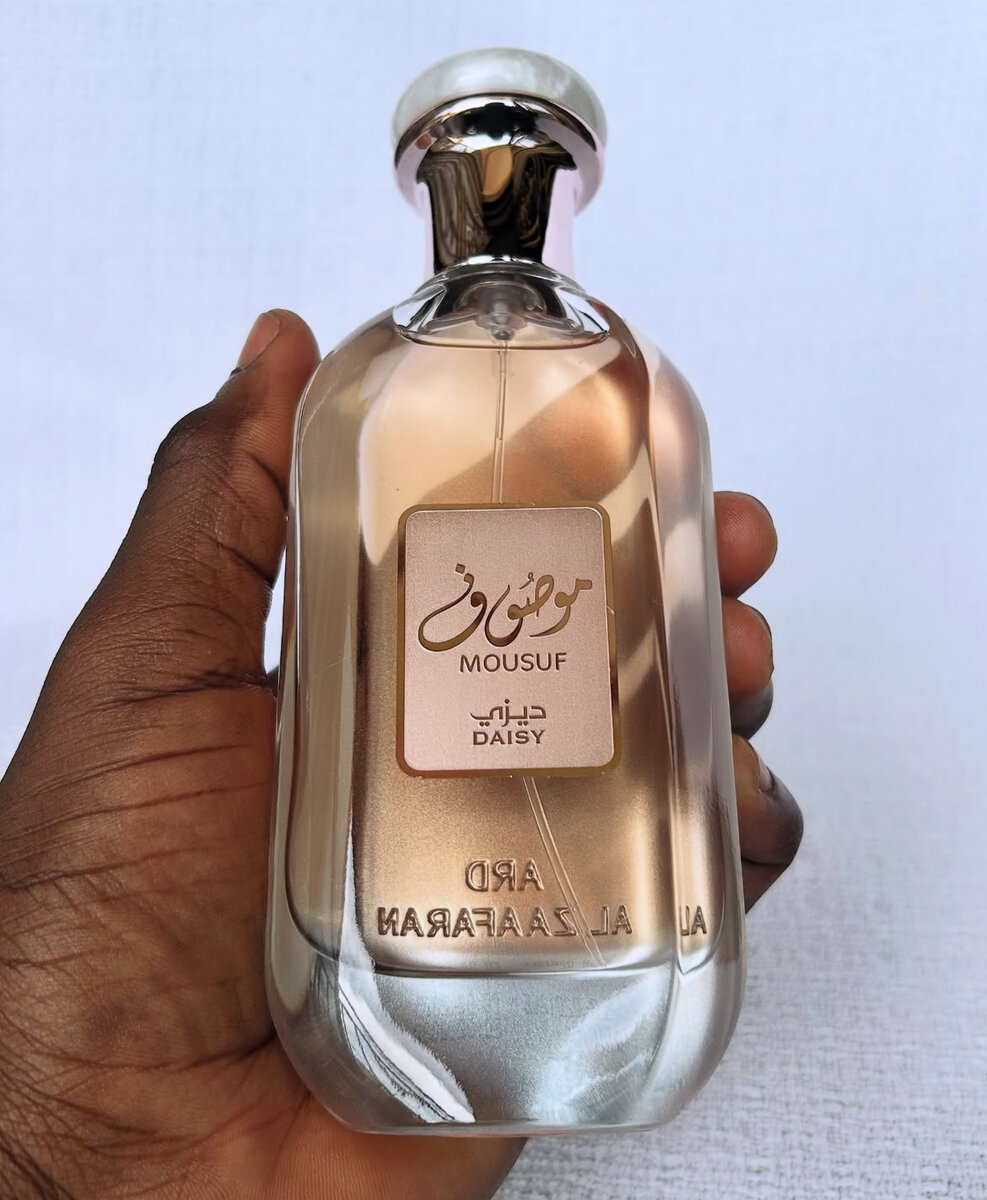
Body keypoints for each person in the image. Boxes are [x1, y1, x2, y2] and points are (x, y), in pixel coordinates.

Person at [0, 311, 803, 1200]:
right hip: (349, 1036)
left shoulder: (395, 380)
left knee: (685, 683)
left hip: (600, 1027)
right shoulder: (398, 382)